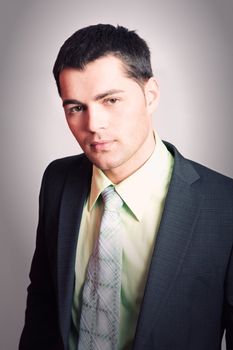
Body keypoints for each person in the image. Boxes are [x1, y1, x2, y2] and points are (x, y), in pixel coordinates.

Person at [19, 24, 233, 350]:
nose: (93, 125)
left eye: (111, 100)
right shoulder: (57, 180)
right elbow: (43, 303)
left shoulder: (224, 205)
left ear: (150, 95)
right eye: (76, 107)